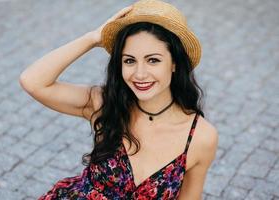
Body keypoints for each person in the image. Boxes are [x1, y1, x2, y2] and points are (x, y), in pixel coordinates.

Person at [19, 0, 218, 199]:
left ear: (175, 63)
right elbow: (33, 82)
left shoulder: (201, 137)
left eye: (153, 60)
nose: (140, 74)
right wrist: (93, 38)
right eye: (129, 60)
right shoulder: (104, 104)